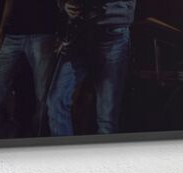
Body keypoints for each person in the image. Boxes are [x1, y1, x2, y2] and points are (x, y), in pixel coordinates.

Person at [47, 0, 136, 136]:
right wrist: (64, 4)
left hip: (112, 31)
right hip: (79, 33)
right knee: (56, 101)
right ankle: (65, 150)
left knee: (107, 119)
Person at [0, 0, 57, 138]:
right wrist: (1, 29)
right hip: (13, 34)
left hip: (43, 33)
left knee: (43, 96)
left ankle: (39, 140)